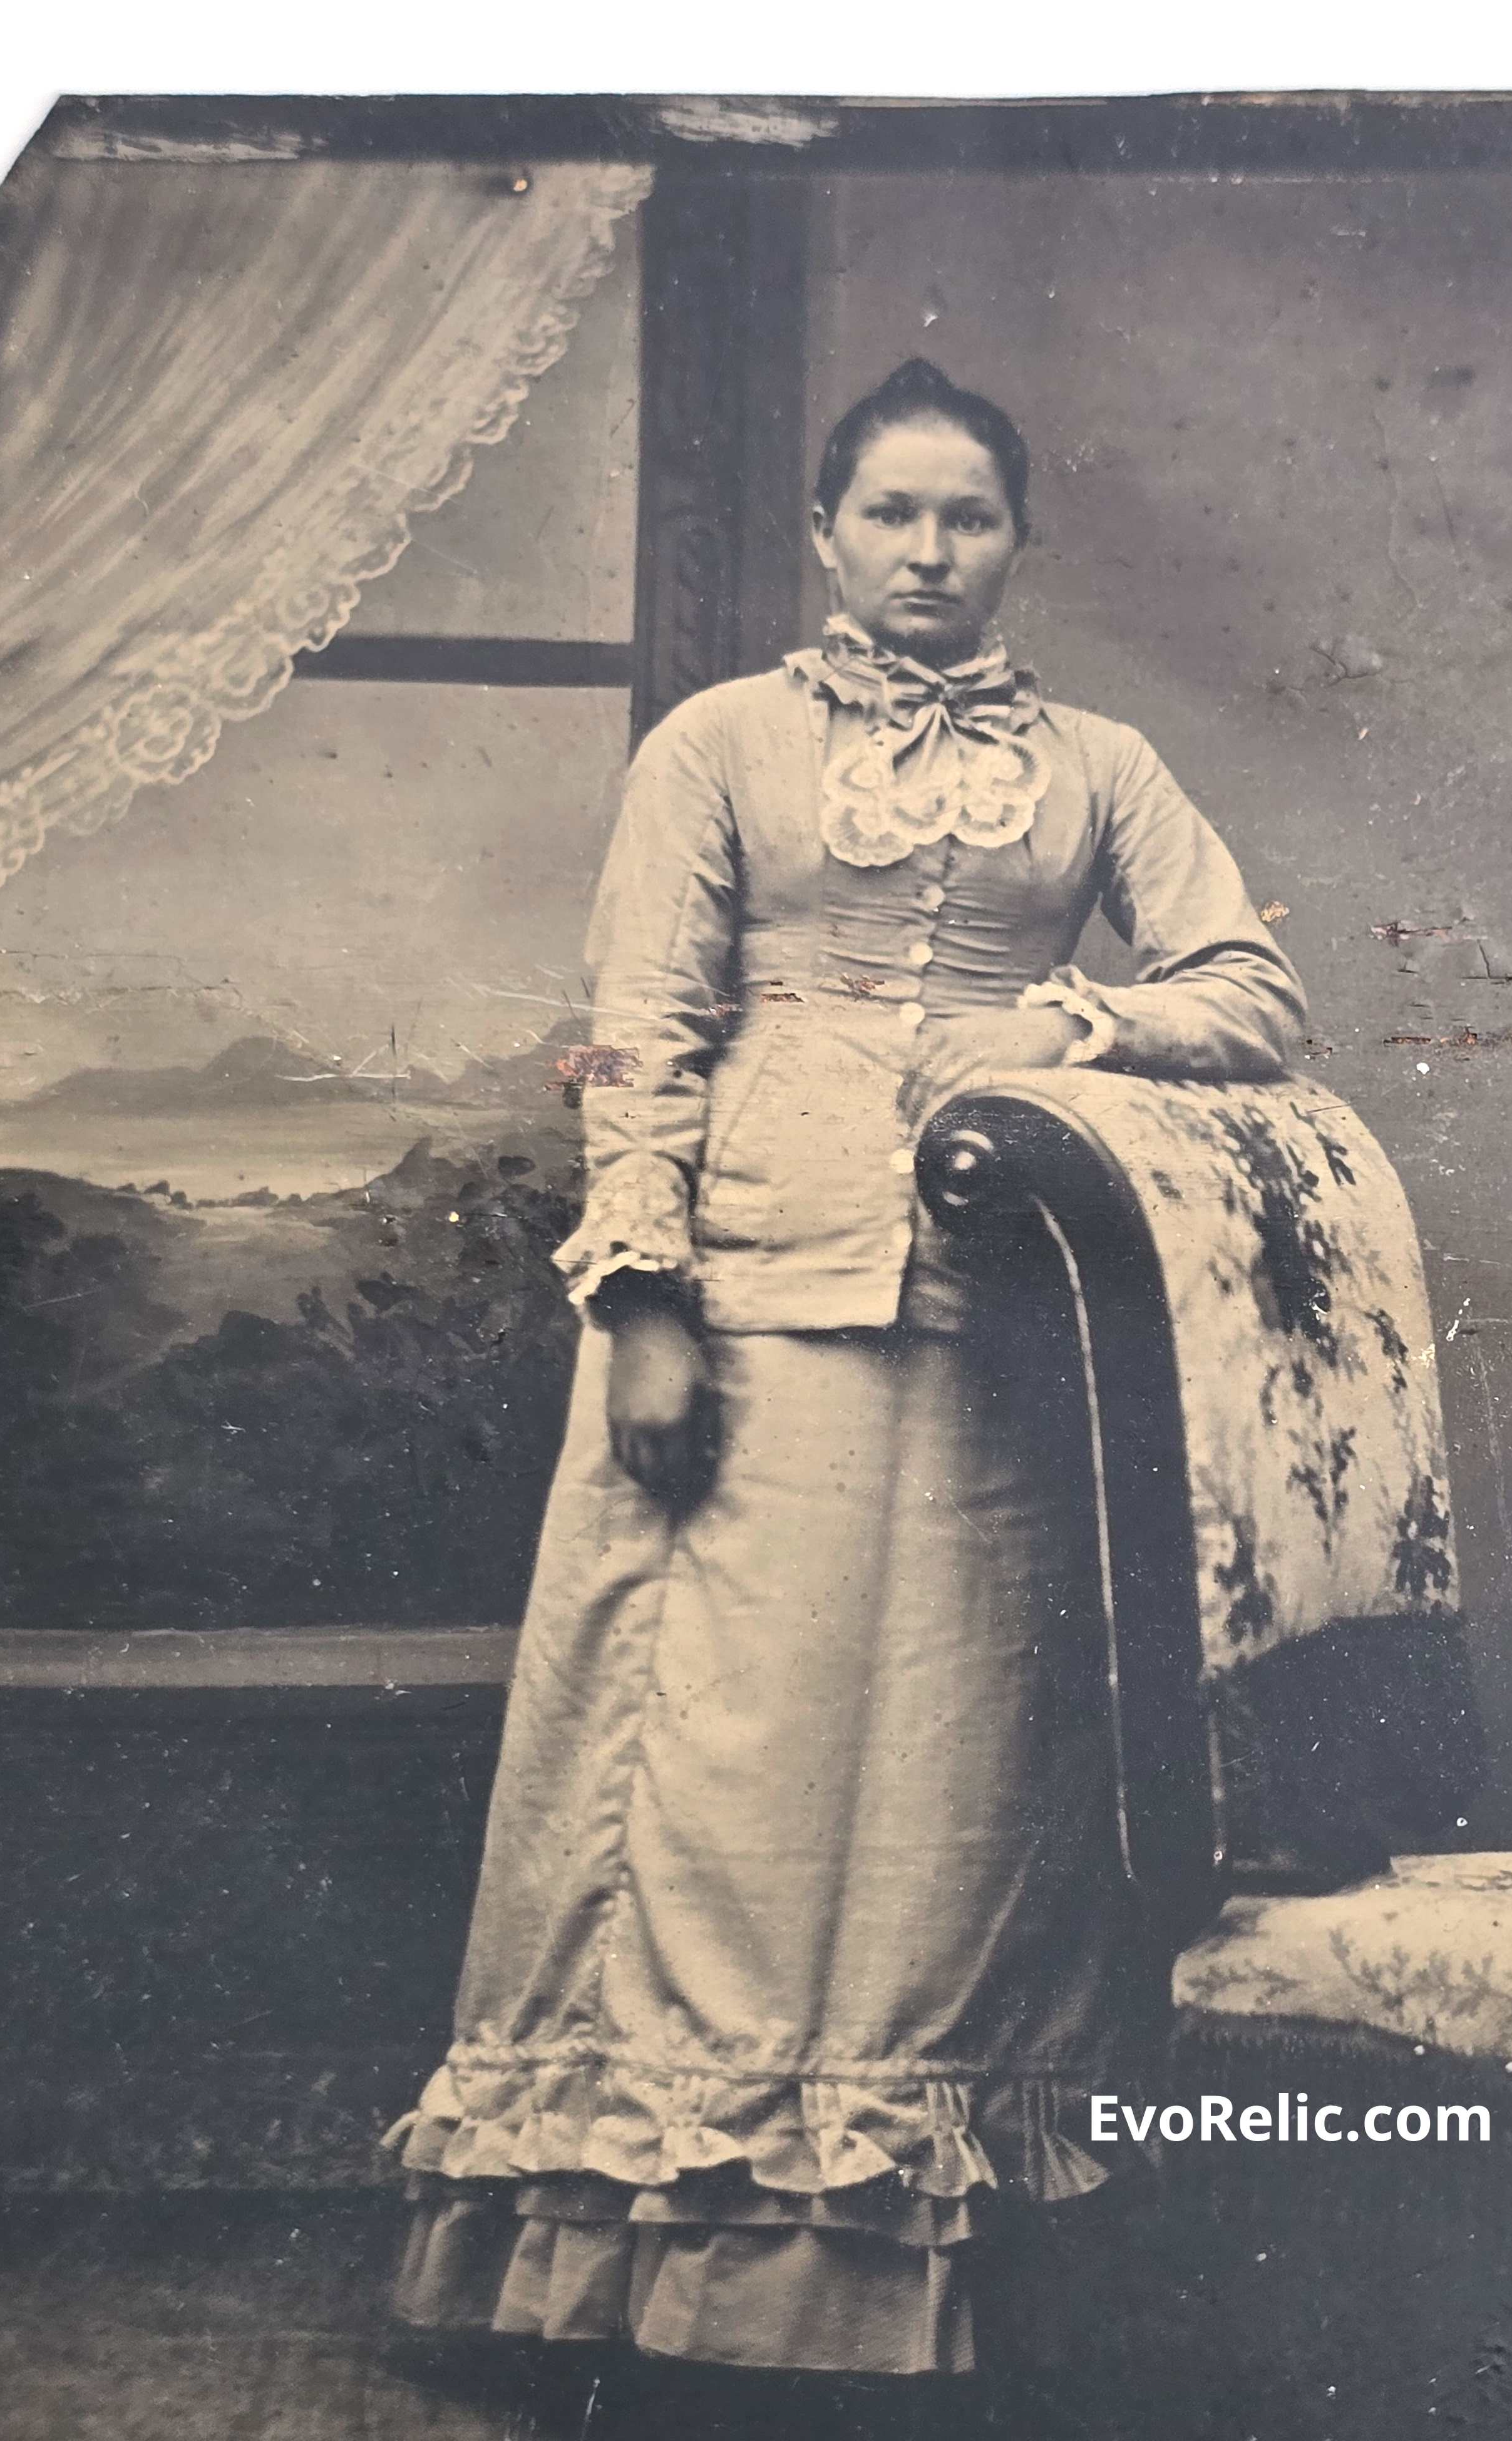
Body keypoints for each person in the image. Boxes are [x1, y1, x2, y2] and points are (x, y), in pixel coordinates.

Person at [386, 357, 1307, 2419]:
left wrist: (1066, 1028)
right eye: (889, 515)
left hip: (1010, 1328)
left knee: (954, 1782)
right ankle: (645, 2281)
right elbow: (641, 1026)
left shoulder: (1101, 764)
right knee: (717, 1762)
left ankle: (900, 2298)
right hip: (744, 1300)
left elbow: (1250, 987)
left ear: (1016, 542)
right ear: (823, 535)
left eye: (967, 517)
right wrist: (641, 1303)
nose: (927, 553)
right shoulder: (716, 748)